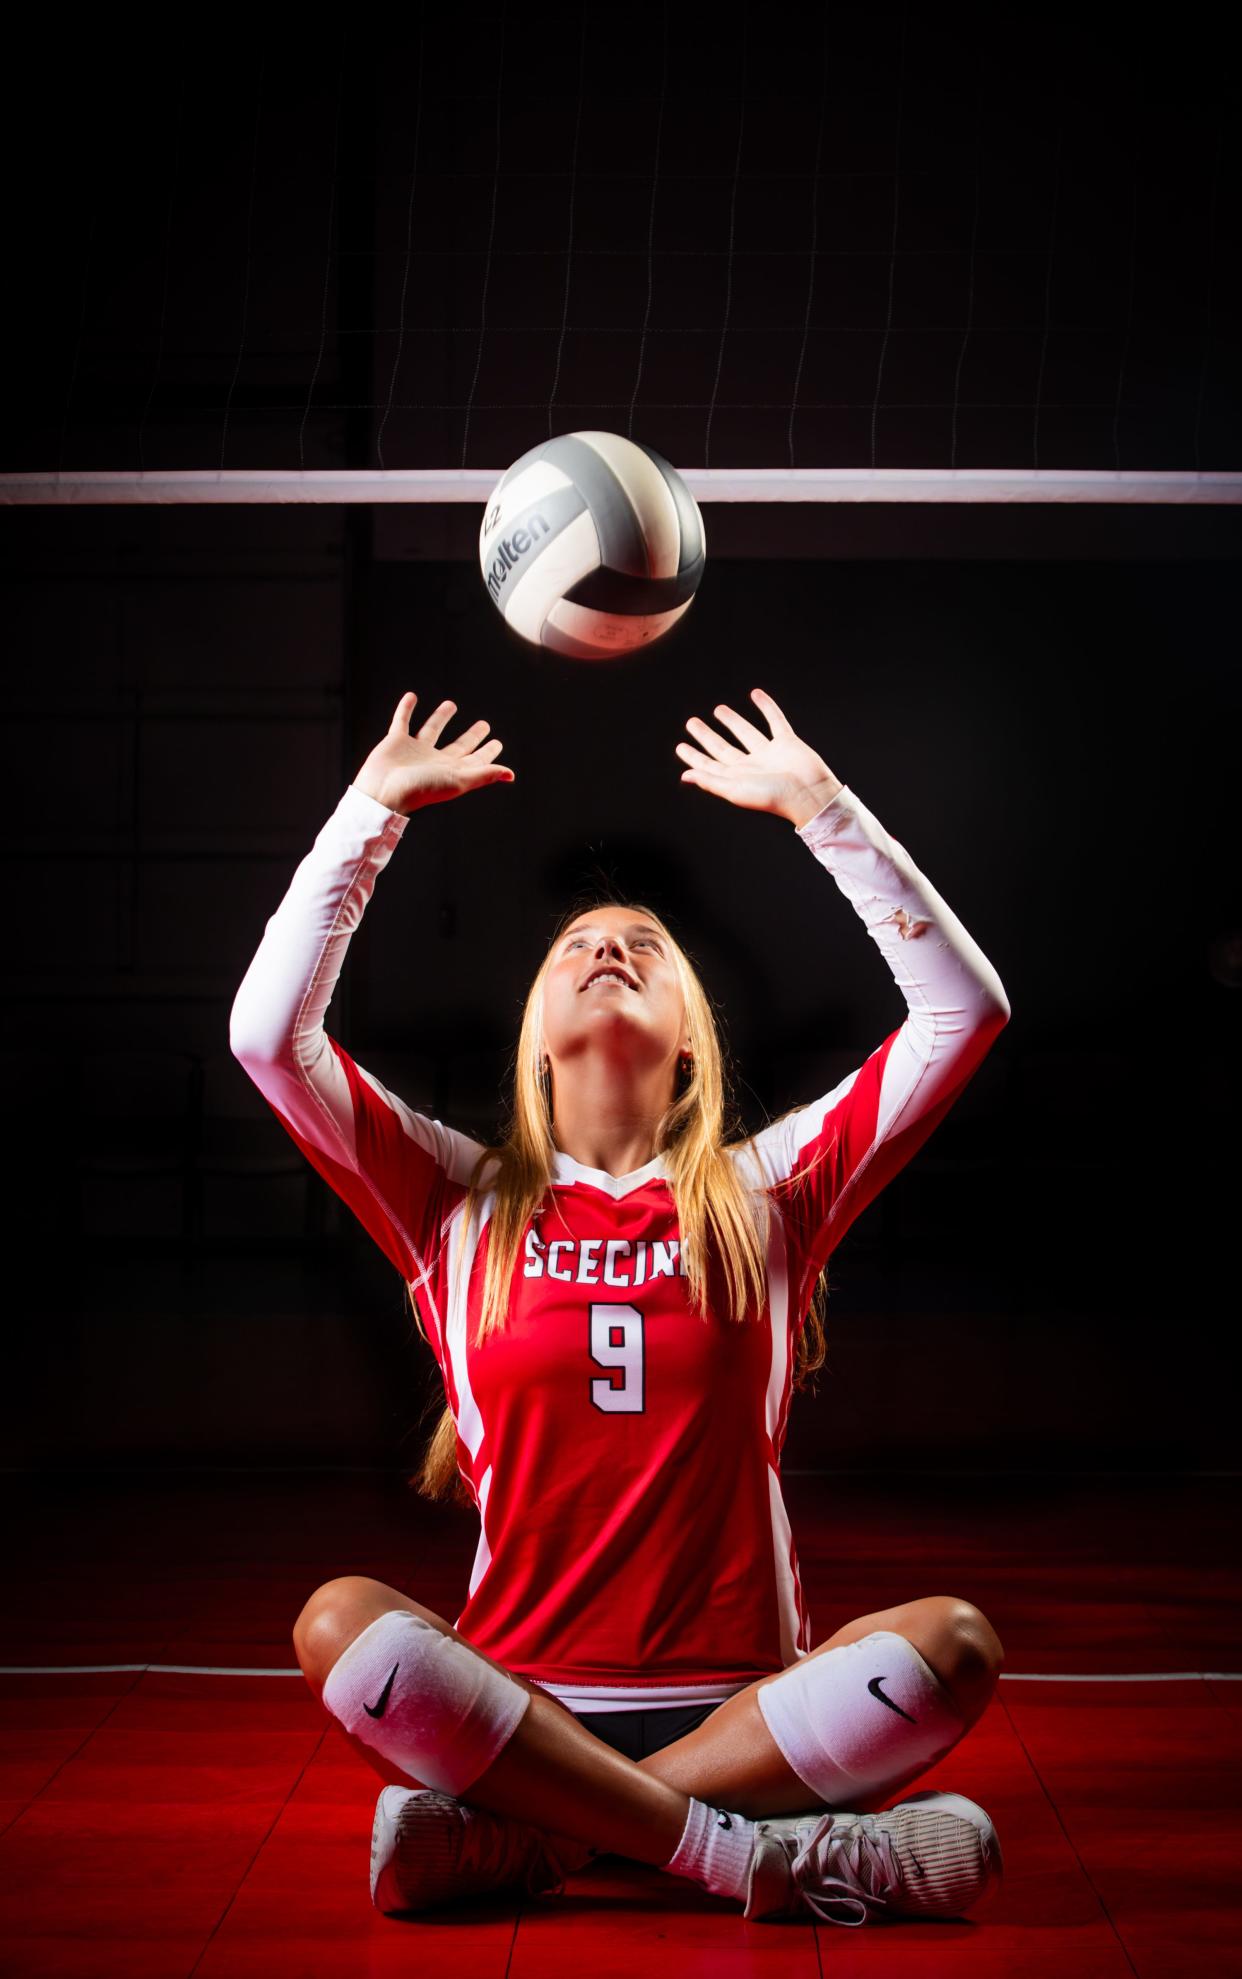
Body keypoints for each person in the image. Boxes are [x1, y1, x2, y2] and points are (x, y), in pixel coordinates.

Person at [229, 685, 1012, 1928]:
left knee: (955, 1642)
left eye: (646, 944)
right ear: (536, 1030)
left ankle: (540, 1848)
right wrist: (367, 816)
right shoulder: (455, 1201)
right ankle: (758, 1858)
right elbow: (271, 1039)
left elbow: (964, 1012)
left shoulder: (768, 1191)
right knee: (339, 1619)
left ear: (692, 1038)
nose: (608, 949)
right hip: (514, 1704)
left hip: (751, 1705)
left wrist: (825, 810)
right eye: (576, 946)